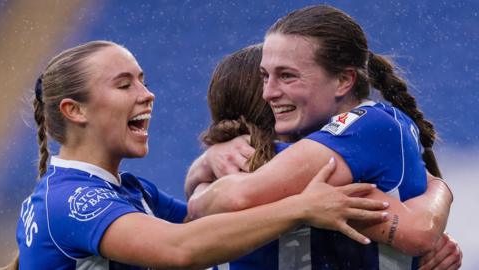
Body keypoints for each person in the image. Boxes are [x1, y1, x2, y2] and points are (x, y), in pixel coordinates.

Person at [6, 40, 393, 270]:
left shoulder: (126, 190)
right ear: (75, 111)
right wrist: (301, 207)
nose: (147, 94)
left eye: (143, 79)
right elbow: (181, 249)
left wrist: (206, 163)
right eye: (124, 84)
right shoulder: (73, 200)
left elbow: (204, 219)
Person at [186, 5, 460, 269]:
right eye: (264, 77)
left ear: (343, 80)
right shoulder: (298, 164)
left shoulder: (365, 125)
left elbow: (235, 198)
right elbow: (418, 231)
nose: (268, 92)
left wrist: (198, 184)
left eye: (287, 76)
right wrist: (439, 189)